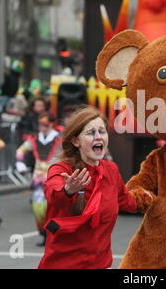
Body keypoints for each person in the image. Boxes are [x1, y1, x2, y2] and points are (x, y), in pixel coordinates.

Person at [38, 107, 146, 269]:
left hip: (100, 264)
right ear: (76, 141)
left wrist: (155, 200)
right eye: (91, 133)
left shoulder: (111, 170)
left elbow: (127, 201)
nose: (98, 137)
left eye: (102, 131)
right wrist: (68, 190)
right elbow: (53, 194)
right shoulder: (61, 169)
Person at [15, 113, 61, 246]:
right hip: (38, 179)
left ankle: (53, 237)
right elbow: (20, 151)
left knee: (52, 210)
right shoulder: (34, 139)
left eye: (45, 125)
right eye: (40, 124)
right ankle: (44, 234)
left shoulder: (60, 140)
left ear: (52, 124)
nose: (42, 127)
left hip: (55, 180)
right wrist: (20, 163)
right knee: (38, 209)